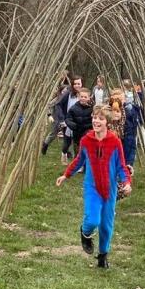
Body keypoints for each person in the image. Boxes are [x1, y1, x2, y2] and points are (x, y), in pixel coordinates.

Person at [56, 105, 131, 268]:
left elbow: (121, 166)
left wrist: (126, 183)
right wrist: (66, 175)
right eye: (94, 117)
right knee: (92, 220)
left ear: (107, 123)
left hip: (109, 189)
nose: (96, 121)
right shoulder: (86, 140)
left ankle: (103, 256)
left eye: (100, 118)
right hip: (92, 187)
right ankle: (85, 233)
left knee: (106, 224)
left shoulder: (114, 142)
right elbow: (78, 160)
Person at [65, 88, 94, 158]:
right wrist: (74, 126)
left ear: (89, 98)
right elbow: (68, 119)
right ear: (78, 97)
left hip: (88, 134)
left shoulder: (92, 108)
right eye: (81, 97)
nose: (83, 98)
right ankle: (78, 167)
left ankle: (87, 166)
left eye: (85, 97)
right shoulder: (73, 108)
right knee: (78, 153)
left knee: (88, 153)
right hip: (77, 135)